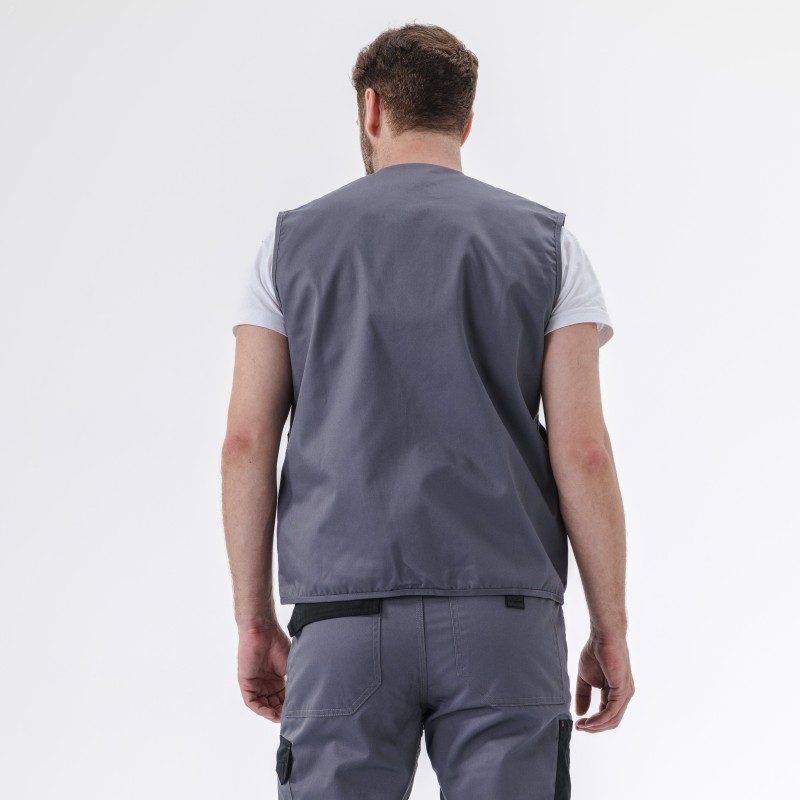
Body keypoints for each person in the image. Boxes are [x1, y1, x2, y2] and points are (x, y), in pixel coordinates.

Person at [221, 21, 634, 800]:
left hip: (343, 620)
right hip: (504, 623)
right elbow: (583, 453)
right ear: (465, 121)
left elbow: (246, 443)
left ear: (372, 109)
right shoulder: (550, 248)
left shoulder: (287, 247)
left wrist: (252, 619)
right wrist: (609, 626)